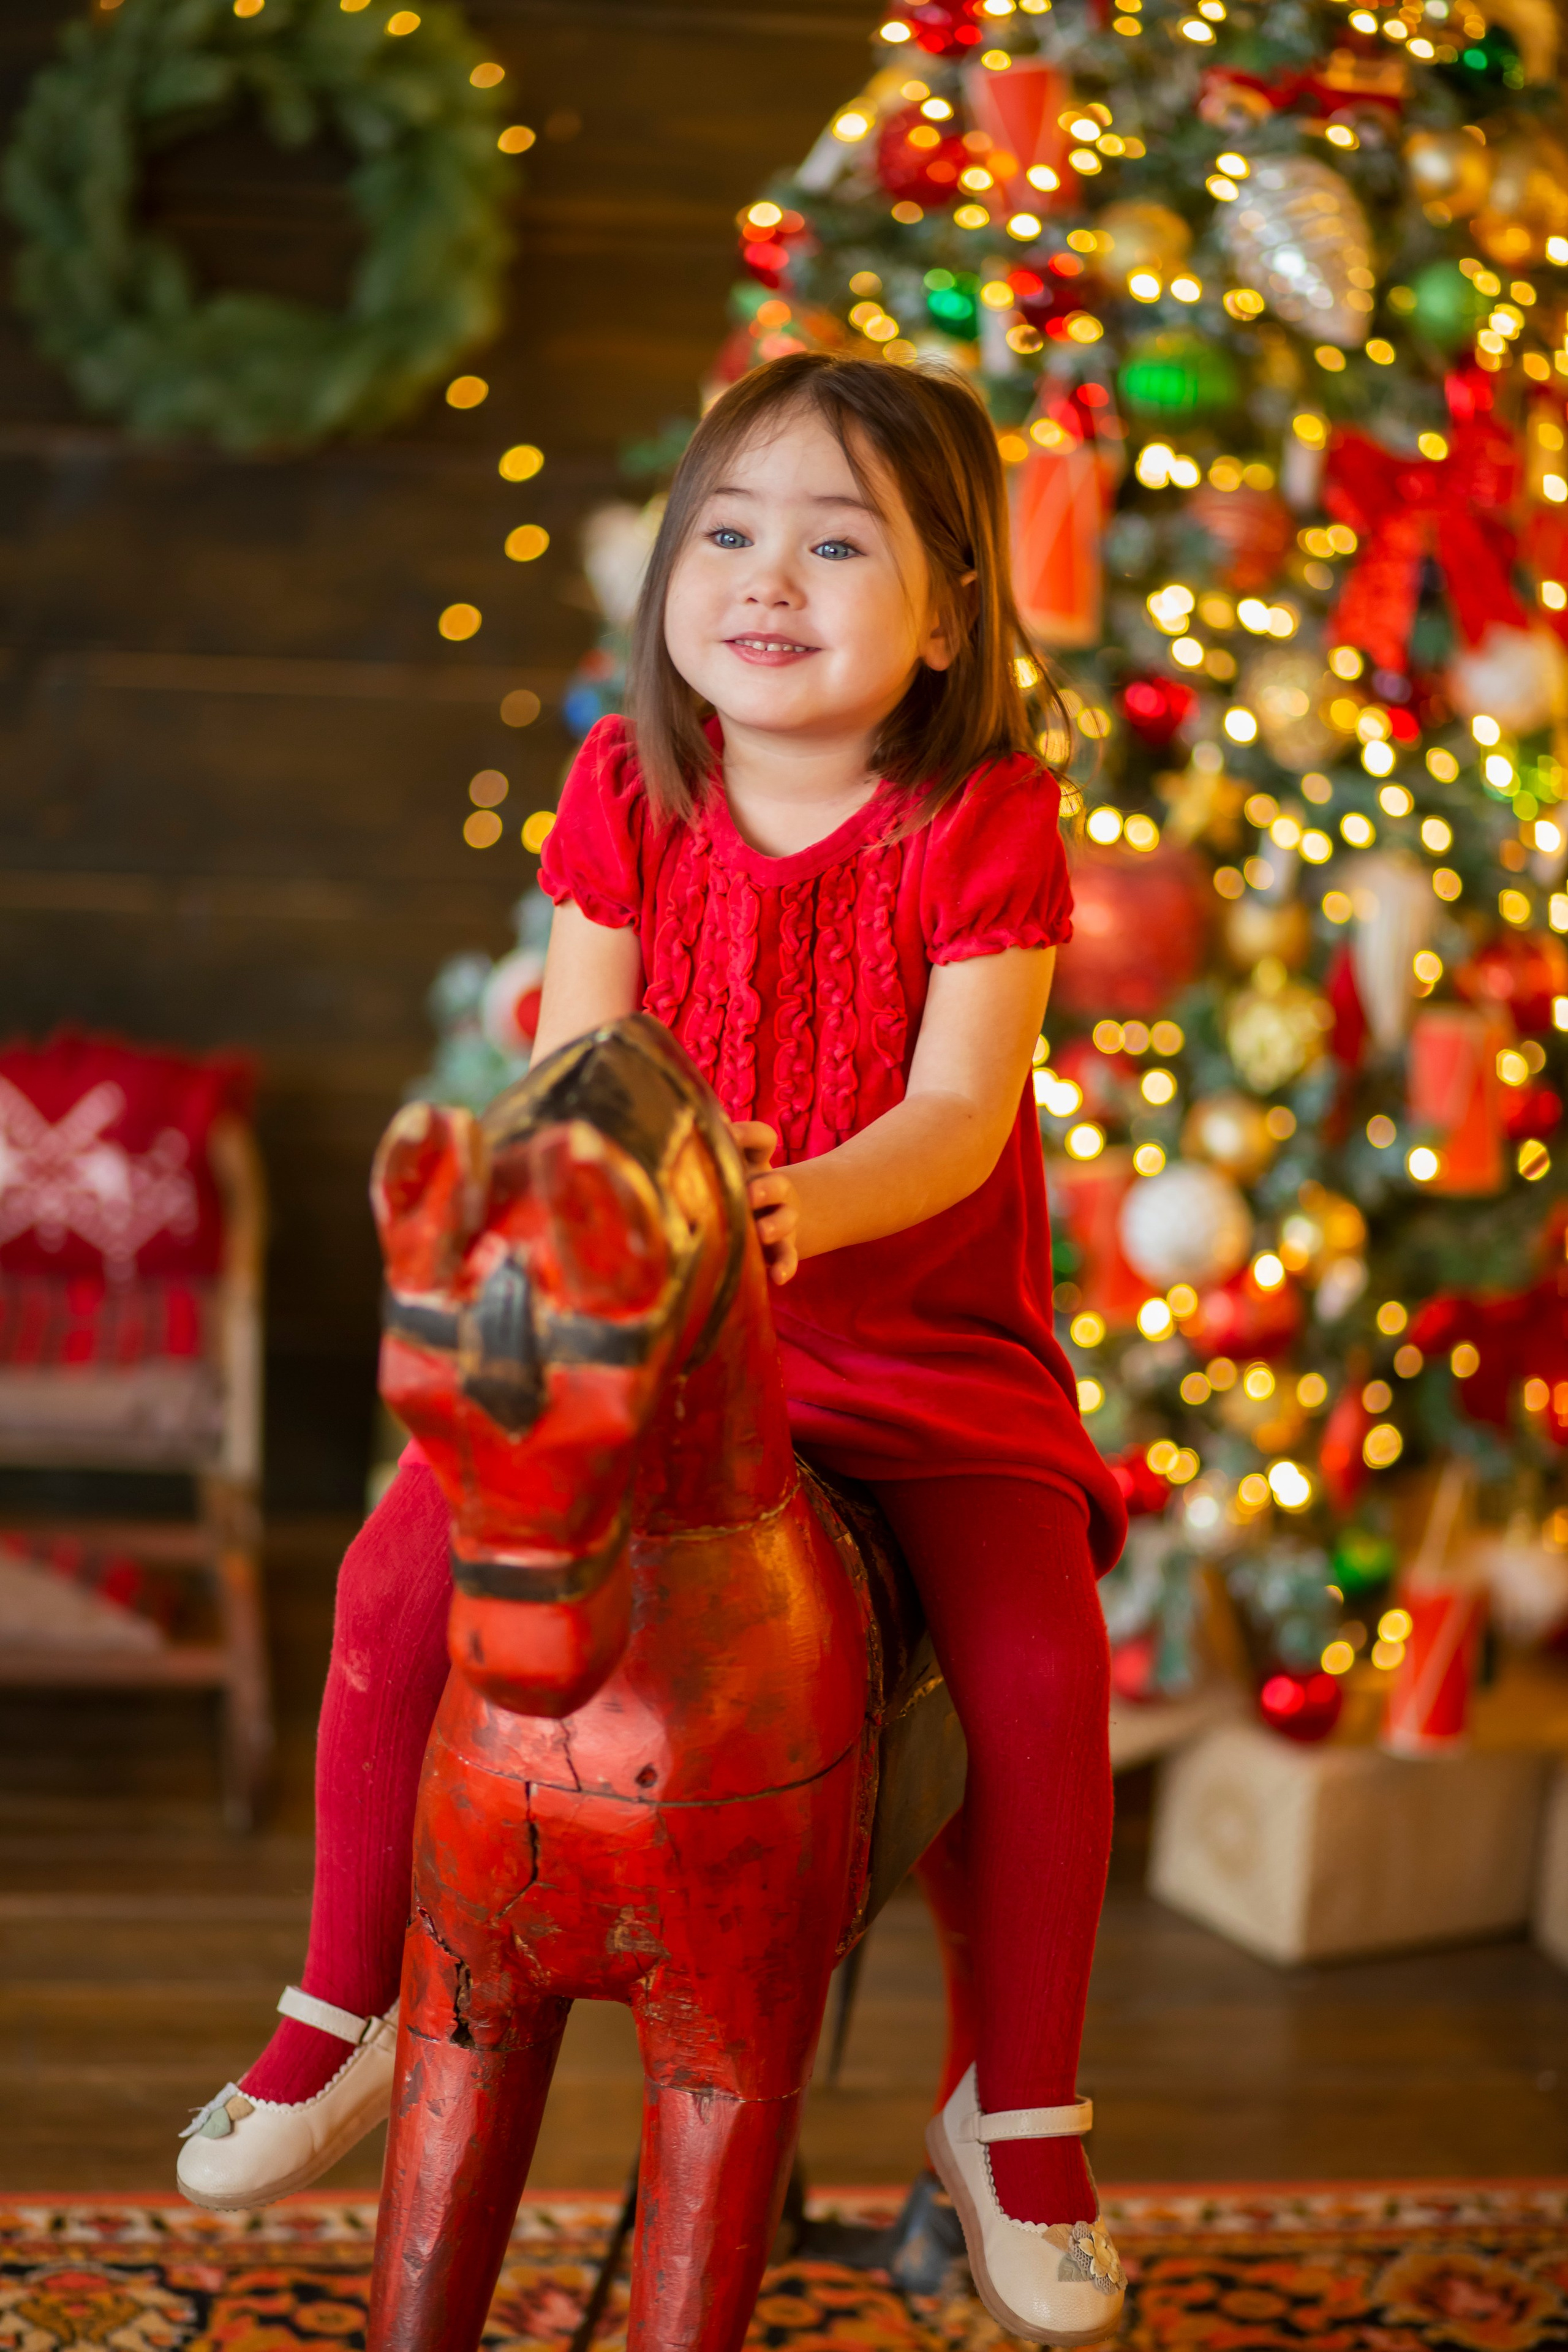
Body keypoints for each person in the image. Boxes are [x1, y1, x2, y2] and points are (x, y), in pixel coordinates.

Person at [176, 352, 1129, 2344]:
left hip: (910, 1350)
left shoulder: (981, 819)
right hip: (654, 1345)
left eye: (838, 541)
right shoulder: (628, 781)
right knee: (389, 1582)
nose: (766, 577)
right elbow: (570, 1064)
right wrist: (603, 1237)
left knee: (1039, 1671)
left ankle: (1018, 2105)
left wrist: (790, 1211)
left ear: (950, 608)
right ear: (674, 570)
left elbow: (963, 1115)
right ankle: (344, 1998)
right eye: (729, 528)